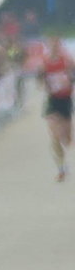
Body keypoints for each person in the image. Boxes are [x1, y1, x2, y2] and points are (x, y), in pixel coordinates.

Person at [40, 36, 73, 182]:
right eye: (51, 45)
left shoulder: (67, 61)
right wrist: (45, 84)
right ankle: (61, 168)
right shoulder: (44, 63)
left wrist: (68, 81)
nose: (54, 48)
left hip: (65, 101)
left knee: (67, 139)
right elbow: (40, 79)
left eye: (56, 45)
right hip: (52, 101)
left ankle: (64, 164)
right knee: (54, 136)